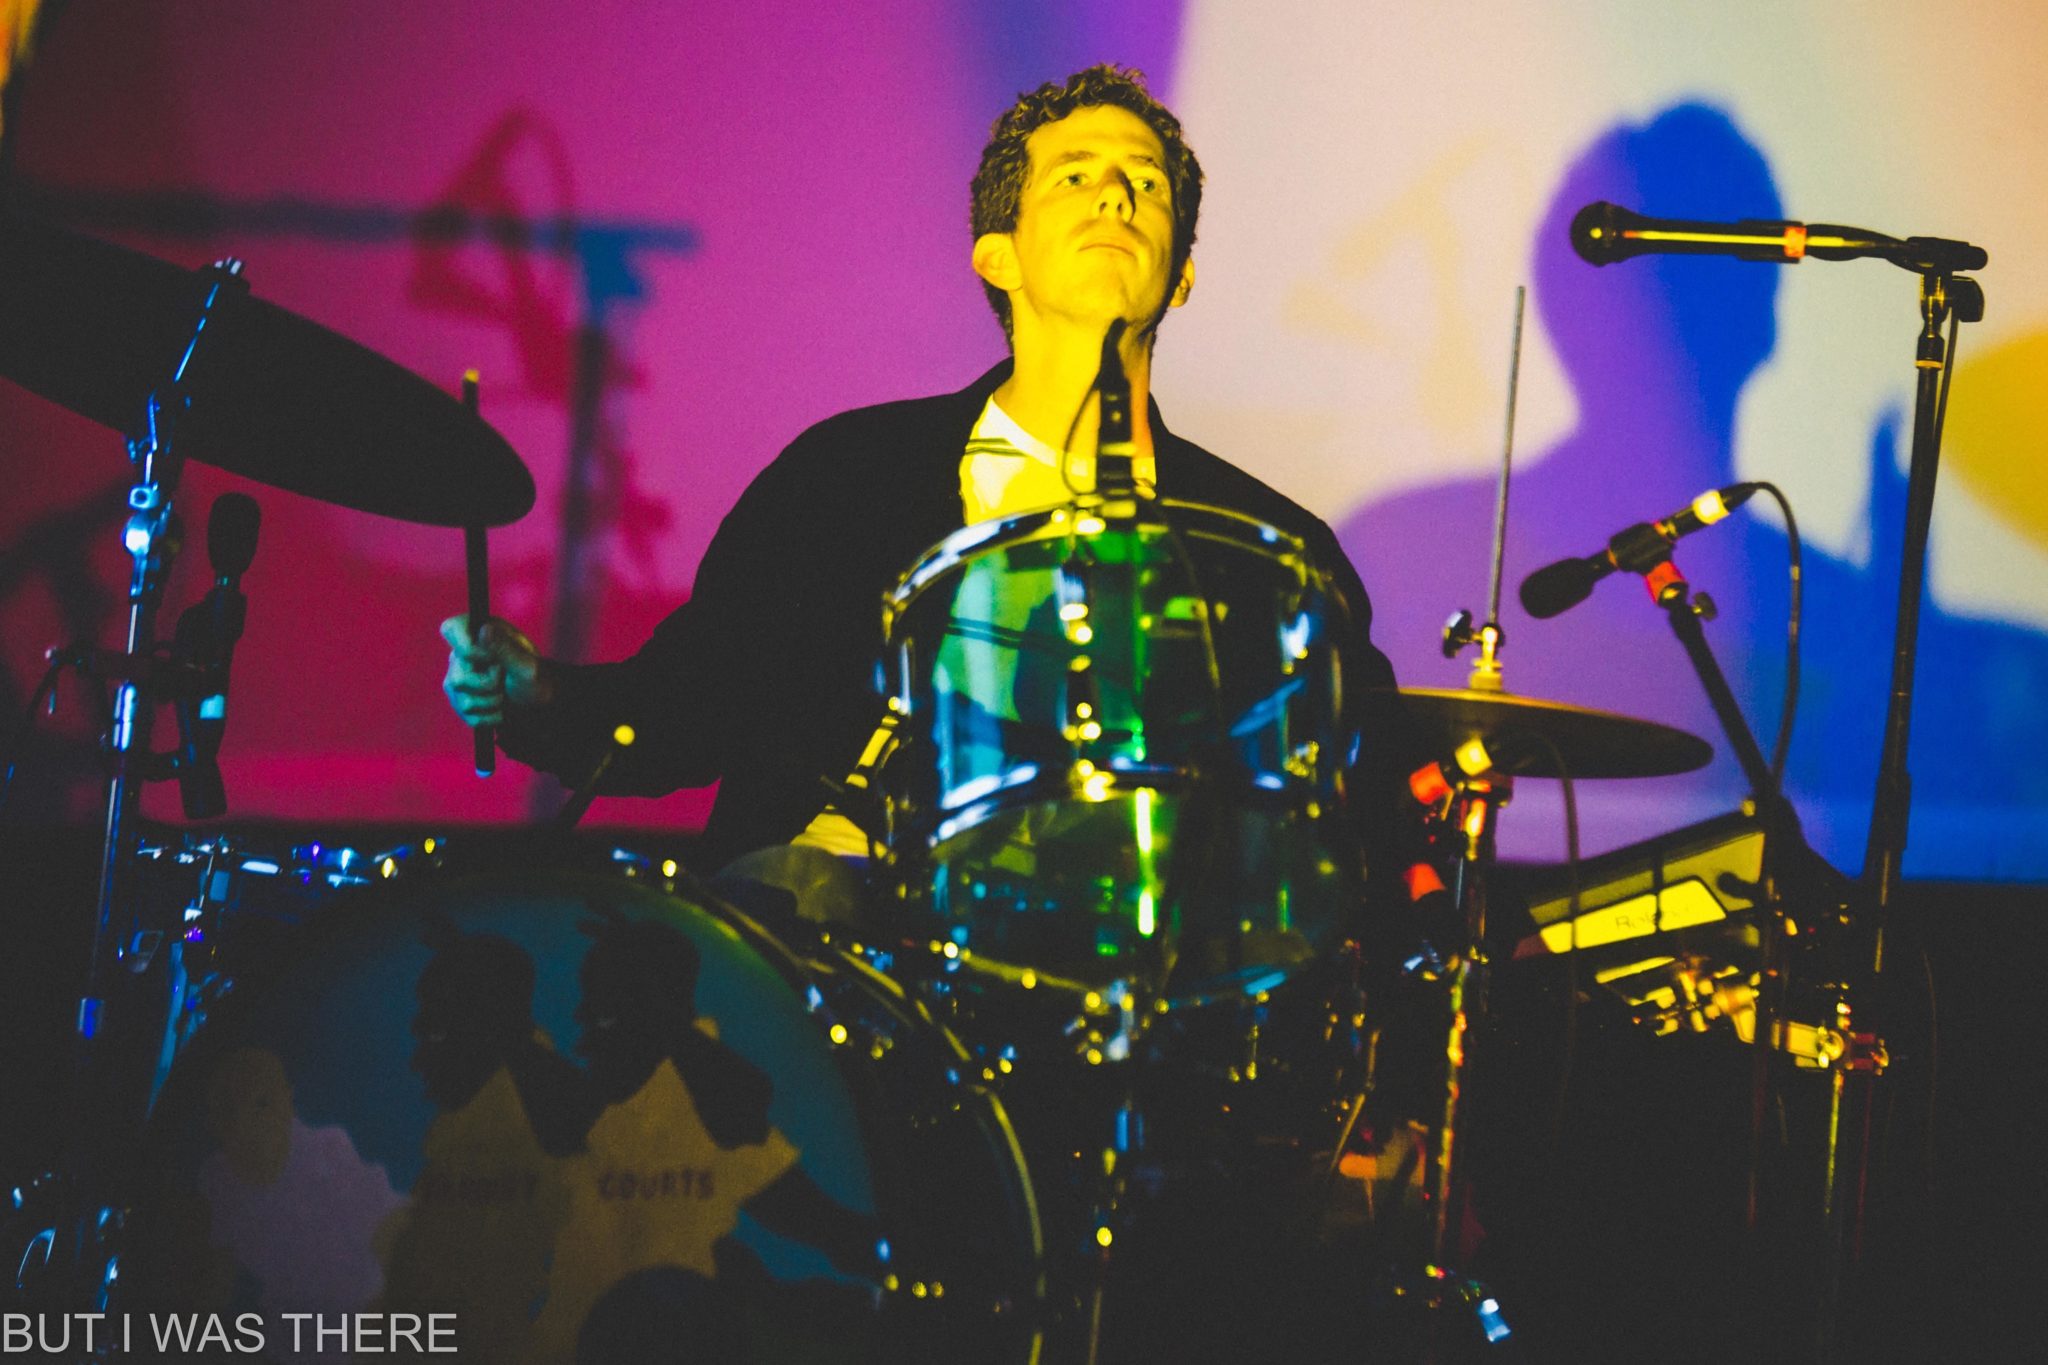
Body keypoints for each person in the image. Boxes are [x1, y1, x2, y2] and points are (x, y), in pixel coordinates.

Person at [442, 64, 1414, 889]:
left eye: (1146, 185)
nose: (1116, 197)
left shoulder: (1268, 551)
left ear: (1182, 273)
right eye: (1075, 178)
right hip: (831, 972)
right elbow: (694, 703)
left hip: (1116, 989)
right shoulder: (845, 478)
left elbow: (1351, 805)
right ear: (998, 255)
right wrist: (543, 695)